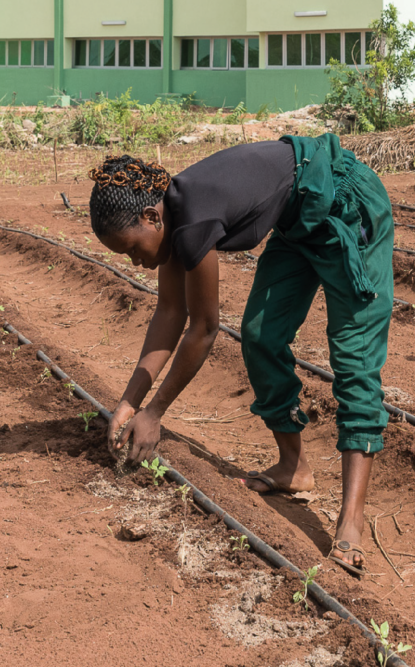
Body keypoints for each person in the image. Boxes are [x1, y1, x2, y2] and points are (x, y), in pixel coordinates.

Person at [87, 134, 394, 576]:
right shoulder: (173, 222)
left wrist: (154, 413)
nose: (135, 263)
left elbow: (204, 329)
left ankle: (351, 520)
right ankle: (294, 467)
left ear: (152, 217)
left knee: (354, 357)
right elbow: (171, 311)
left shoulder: (191, 223)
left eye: (133, 248)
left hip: (344, 205)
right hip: (298, 222)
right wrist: (128, 403)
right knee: (260, 336)